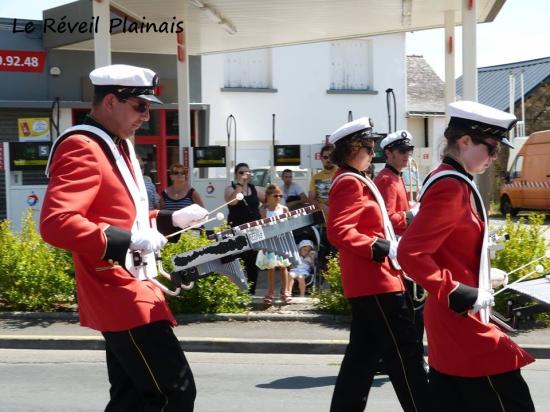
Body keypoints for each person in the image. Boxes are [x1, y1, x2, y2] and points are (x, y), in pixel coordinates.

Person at [40, 64, 209, 412]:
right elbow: (57, 222)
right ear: (112, 101)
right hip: (119, 290)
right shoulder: (84, 146)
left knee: (131, 399)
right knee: (174, 393)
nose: (146, 116)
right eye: (140, 106)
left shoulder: (114, 146)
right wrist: (127, 242)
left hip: (131, 287)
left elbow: (124, 217)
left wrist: (169, 219)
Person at [397, 100, 535, 412]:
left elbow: (447, 248)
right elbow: (411, 252)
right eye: (491, 147)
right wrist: (455, 289)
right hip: (461, 318)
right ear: (464, 141)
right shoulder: (451, 186)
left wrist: (483, 271)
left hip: (456, 316)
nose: (495, 156)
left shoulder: (450, 178)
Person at [326, 117, 430, 412]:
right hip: (376, 282)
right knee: (405, 355)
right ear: (352, 149)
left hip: (373, 282)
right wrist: (377, 247)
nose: (374, 155)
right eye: (369, 149)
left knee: (361, 360)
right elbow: (339, 231)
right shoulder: (348, 181)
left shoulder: (356, 179)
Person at [374, 130, 425, 353]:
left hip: (403, 249)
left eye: (409, 150)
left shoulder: (396, 176)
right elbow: (387, 220)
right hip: (397, 252)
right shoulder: (386, 179)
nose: (407, 155)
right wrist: (413, 216)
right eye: (402, 151)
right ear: (389, 153)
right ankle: (406, 355)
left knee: (414, 310)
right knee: (413, 310)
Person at [224, 162, 266, 295]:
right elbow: (233, 201)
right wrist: (240, 185)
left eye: (247, 172)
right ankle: (237, 293)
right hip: (236, 230)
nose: (244, 175)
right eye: (241, 172)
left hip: (253, 230)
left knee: (252, 263)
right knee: (237, 262)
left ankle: (251, 293)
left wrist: (262, 213)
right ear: (236, 174)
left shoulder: (255, 189)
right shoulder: (230, 188)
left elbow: (269, 200)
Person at [256, 183, 292, 304]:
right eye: (275, 196)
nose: (278, 198)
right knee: (271, 267)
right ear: (268, 196)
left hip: (281, 240)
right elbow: (262, 226)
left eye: (280, 196)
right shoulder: (263, 209)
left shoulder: (284, 209)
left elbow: (288, 225)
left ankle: (285, 291)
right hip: (270, 241)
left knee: (283, 266)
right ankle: (270, 291)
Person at [308, 144, 337, 276]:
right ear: (321, 158)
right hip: (324, 226)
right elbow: (311, 199)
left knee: (339, 260)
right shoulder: (316, 177)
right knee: (323, 261)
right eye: (325, 157)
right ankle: (320, 291)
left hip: (340, 224)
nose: (328, 159)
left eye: (331, 156)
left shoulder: (340, 173)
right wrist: (323, 206)